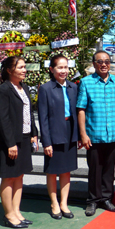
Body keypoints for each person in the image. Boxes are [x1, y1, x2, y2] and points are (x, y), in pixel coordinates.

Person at [77, 50, 115, 216]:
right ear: (94, 64)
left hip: (113, 133)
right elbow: (81, 109)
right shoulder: (86, 83)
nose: (104, 64)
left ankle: (106, 198)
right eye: (100, 61)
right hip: (94, 134)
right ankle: (93, 200)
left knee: (109, 168)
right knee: (94, 169)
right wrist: (83, 134)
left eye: (107, 61)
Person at [0, 56, 38, 229]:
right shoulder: (3, 90)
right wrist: (10, 143)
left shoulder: (24, 87)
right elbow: (3, 119)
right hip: (11, 140)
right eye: (20, 67)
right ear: (9, 70)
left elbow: (29, 112)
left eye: (24, 67)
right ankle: (8, 214)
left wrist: (34, 133)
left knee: (20, 175)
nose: (24, 70)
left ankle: (16, 211)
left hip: (25, 137)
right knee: (9, 177)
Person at [38, 54, 78, 220]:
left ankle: (64, 203)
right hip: (54, 132)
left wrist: (79, 135)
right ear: (51, 69)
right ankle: (54, 203)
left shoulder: (73, 87)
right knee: (53, 171)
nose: (64, 71)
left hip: (70, 131)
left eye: (66, 67)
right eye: (60, 67)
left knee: (66, 171)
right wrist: (46, 141)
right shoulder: (46, 89)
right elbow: (43, 117)